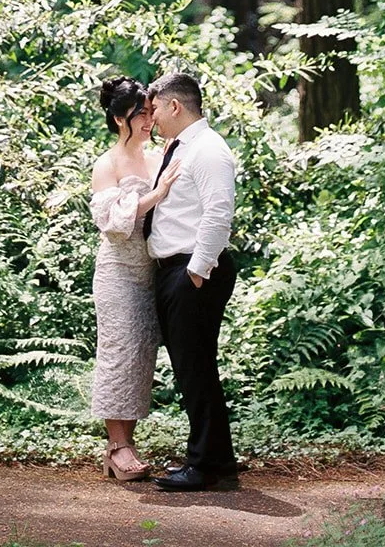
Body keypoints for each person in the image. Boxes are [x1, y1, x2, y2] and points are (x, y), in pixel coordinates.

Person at [144, 71, 238, 492]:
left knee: (195, 368)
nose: (153, 118)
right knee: (193, 369)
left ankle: (204, 465)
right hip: (178, 270)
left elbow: (219, 213)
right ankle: (217, 460)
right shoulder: (183, 147)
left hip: (194, 272)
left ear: (175, 105)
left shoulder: (209, 150)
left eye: (156, 108)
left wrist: (195, 273)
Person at [89, 76, 183, 481]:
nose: (148, 120)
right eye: (140, 114)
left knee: (141, 356)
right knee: (118, 353)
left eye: (149, 112)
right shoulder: (107, 164)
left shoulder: (159, 154)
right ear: (118, 118)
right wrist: (156, 193)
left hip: (154, 269)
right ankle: (117, 447)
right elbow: (111, 223)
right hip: (118, 271)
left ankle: (128, 444)